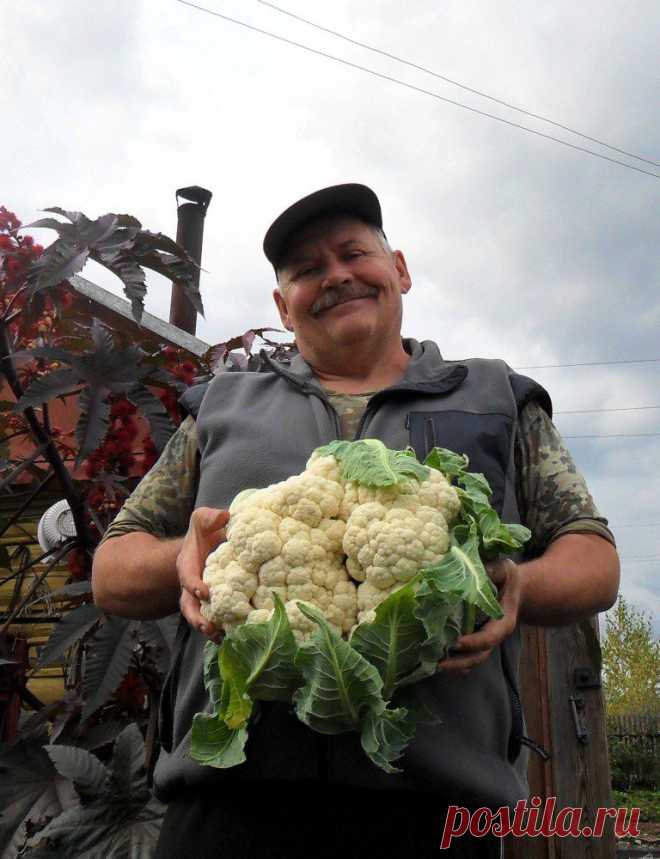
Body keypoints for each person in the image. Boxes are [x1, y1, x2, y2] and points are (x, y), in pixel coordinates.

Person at [92, 183, 619, 858]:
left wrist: (519, 584)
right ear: (284, 306)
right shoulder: (219, 406)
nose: (336, 276)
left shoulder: (496, 398)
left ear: (398, 268)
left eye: (352, 254)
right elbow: (111, 570)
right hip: (229, 806)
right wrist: (181, 562)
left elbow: (594, 557)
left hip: (435, 811)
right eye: (308, 270)